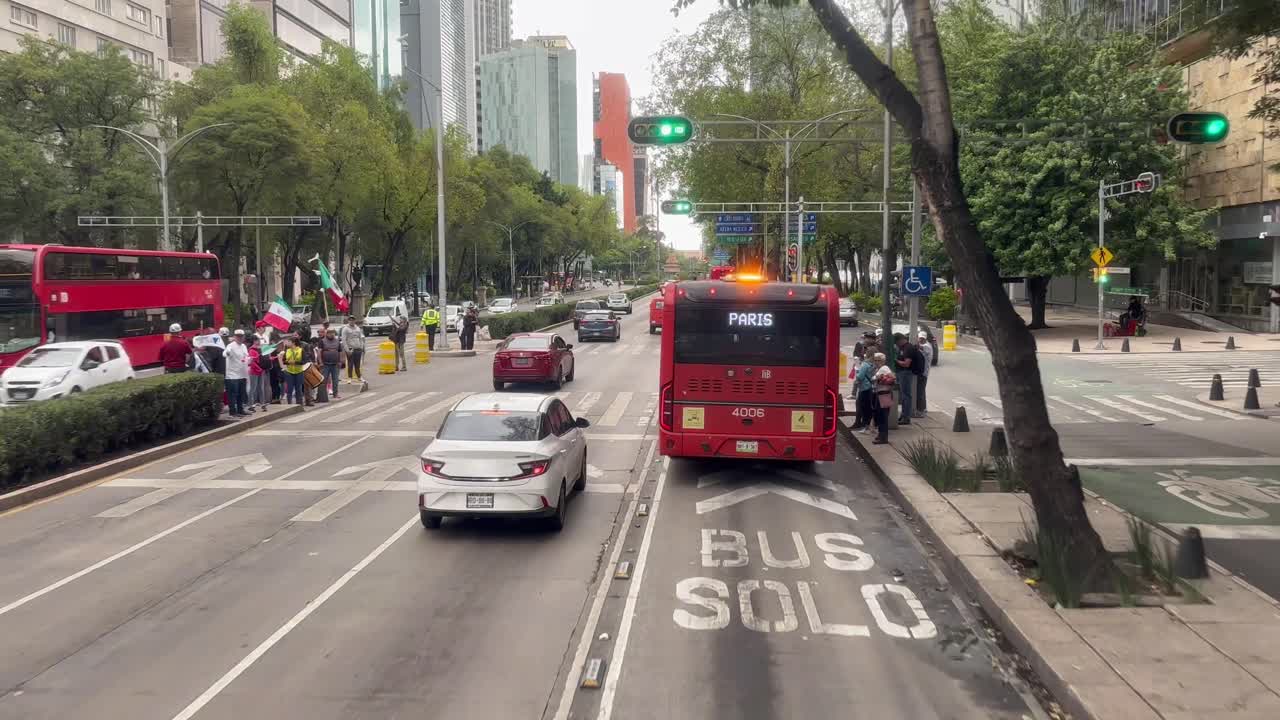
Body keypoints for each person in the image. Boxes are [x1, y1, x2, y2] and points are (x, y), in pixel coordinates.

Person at [893, 333, 923, 426]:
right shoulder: (903, 348)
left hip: (906, 373)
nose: (896, 344)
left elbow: (906, 364)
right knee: (903, 395)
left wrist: (896, 360)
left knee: (906, 395)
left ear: (900, 340)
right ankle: (903, 415)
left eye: (896, 342)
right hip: (902, 373)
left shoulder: (908, 348)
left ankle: (906, 417)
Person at [871, 353, 896, 444]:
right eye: (875, 360)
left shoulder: (884, 368)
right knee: (880, 415)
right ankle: (881, 435)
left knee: (883, 416)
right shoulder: (879, 369)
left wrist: (880, 378)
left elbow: (892, 377)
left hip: (885, 394)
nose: (876, 362)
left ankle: (883, 437)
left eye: (878, 360)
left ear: (883, 361)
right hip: (881, 393)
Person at [224, 329, 250, 417]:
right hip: (232, 375)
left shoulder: (243, 346)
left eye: (241, 336)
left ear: (243, 337)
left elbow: (246, 357)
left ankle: (240, 410)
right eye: (237, 336)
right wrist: (228, 352)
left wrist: (249, 359)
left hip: (242, 374)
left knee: (241, 393)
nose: (239, 338)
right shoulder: (230, 346)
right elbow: (225, 354)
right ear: (234, 337)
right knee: (232, 394)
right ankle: (233, 412)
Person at [317, 326, 343, 399]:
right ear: (327, 333)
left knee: (335, 380)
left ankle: (336, 393)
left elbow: (340, 352)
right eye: (329, 333)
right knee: (324, 380)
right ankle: (323, 396)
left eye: (333, 333)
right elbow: (319, 352)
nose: (331, 334)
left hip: (335, 364)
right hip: (325, 364)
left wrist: (340, 361)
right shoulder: (322, 341)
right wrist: (320, 362)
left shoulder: (337, 341)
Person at [247, 335, 271, 412]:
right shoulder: (251, 350)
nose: (259, 341)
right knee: (253, 388)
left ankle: (263, 404)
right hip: (254, 372)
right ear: (254, 341)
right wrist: (260, 368)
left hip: (261, 371)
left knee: (261, 388)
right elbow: (252, 362)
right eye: (257, 340)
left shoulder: (261, 349)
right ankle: (250, 405)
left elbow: (266, 358)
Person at [280, 337, 307, 405]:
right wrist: (288, 362)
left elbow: (304, 361)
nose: (287, 343)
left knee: (299, 389)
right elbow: (284, 361)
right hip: (289, 372)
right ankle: (289, 404)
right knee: (289, 389)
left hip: (299, 372)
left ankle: (299, 404)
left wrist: (295, 362)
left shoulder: (301, 350)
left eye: (289, 341)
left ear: (293, 343)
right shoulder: (287, 350)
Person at [340, 316, 365, 382]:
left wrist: (361, 347)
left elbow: (360, 338)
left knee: (358, 364)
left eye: (353, 320)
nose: (352, 321)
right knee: (350, 364)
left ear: (355, 320)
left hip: (358, 348)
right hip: (350, 348)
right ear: (348, 321)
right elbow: (344, 340)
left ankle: (359, 377)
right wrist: (347, 350)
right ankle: (350, 378)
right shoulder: (345, 329)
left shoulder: (358, 328)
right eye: (350, 320)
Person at [915, 332, 933, 418]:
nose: (921, 339)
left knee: (920, 392)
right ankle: (923, 409)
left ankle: (921, 410)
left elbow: (919, 347)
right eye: (920, 338)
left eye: (923, 338)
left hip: (923, 373)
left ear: (925, 339)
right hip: (921, 372)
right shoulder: (925, 345)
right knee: (921, 391)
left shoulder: (927, 346)